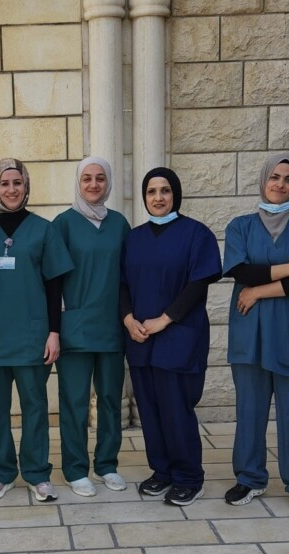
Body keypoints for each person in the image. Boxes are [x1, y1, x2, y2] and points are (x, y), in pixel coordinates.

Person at [222, 154, 289, 515]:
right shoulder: (240, 227)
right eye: (275, 177)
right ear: (263, 180)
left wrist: (257, 292)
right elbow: (241, 272)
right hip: (249, 335)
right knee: (249, 411)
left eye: (288, 179)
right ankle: (250, 478)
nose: (280, 184)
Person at [0, 158, 73, 502]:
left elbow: (55, 286)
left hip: (32, 336)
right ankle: (1, 472)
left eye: (17, 183)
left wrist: (54, 332)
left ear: (26, 186)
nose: (11, 190)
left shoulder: (44, 230)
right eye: (4, 183)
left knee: (35, 407)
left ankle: (38, 473)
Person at [121, 167, 222, 506]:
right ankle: (162, 471)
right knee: (150, 411)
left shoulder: (196, 234)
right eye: (151, 191)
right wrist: (128, 319)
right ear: (144, 197)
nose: (158, 197)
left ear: (175, 194)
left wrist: (164, 320)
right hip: (140, 339)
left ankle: (189, 477)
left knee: (176, 410)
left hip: (178, 337)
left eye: (165, 190)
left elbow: (198, 284)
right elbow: (121, 285)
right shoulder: (133, 239)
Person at [54, 157, 131, 497]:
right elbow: (52, 279)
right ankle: (75, 469)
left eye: (100, 178)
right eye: (87, 178)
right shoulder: (63, 224)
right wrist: (55, 326)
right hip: (75, 328)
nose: (94, 184)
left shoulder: (119, 225)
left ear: (108, 182)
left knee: (111, 399)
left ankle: (107, 465)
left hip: (112, 326)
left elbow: (129, 276)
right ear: (78, 182)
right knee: (75, 402)